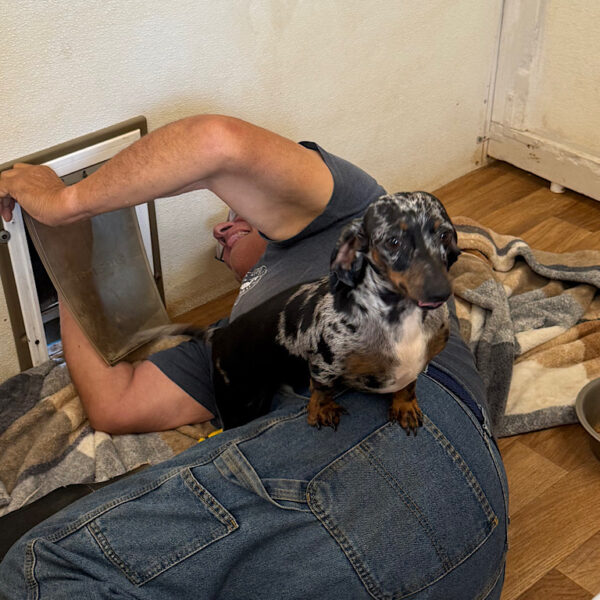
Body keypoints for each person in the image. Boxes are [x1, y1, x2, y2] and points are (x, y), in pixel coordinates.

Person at [0, 115, 508, 599]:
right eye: (220, 239)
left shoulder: (356, 216)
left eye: (236, 216)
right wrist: (68, 256)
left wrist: (65, 202)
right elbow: (115, 403)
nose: (222, 232)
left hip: (413, 435)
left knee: (43, 567)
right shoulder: (238, 343)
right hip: (471, 559)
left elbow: (215, 142)